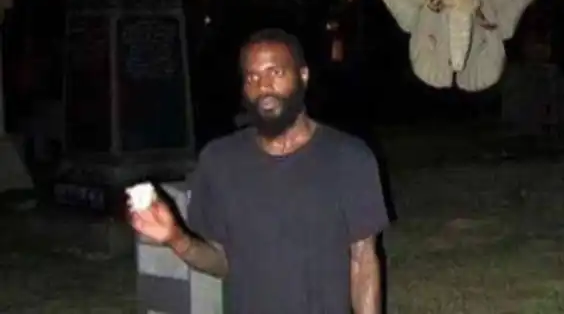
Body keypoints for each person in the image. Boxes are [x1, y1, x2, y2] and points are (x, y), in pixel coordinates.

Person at [129, 28, 390, 314]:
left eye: (275, 73)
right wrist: (175, 238)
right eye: (252, 77)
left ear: (303, 75)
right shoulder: (219, 161)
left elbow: (364, 262)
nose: (264, 87)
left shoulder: (349, 158)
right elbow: (223, 262)